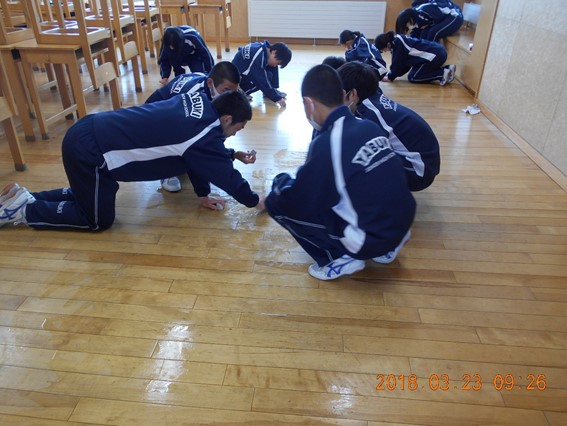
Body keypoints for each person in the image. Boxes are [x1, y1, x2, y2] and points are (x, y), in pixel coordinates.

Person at [0, 91, 261, 231]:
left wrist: (202, 194)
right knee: (96, 220)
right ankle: (24, 211)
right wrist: (255, 201)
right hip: (91, 153)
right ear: (226, 119)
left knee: (90, 193)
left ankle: (24, 197)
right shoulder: (203, 134)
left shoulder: (198, 103)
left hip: (89, 129)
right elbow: (223, 173)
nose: (233, 135)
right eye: (236, 129)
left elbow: (196, 157)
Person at [262, 65, 416, 281]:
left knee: (278, 202)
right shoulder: (369, 127)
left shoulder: (327, 143)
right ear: (343, 95)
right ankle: (388, 246)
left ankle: (336, 259)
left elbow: (300, 201)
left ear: (309, 103)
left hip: (368, 240)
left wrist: (279, 183)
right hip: (403, 223)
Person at [145, 61, 248, 193]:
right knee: (186, 147)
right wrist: (203, 191)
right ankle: (165, 170)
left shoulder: (207, 82)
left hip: (166, 116)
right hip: (153, 127)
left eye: (233, 92)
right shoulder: (194, 100)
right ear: (210, 83)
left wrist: (231, 154)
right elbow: (196, 142)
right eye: (226, 91)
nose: (230, 97)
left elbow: (211, 140)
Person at [338, 61, 440, 192]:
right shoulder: (372, 98)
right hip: (425, 162)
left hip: (419, 172)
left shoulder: (372, 115)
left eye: (339, 93)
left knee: (358, 155)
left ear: (352, 94)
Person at [375, 30, 455, 85]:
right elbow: (405, 65)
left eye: (383, 50)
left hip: (435, 56)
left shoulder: (398, 46)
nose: (384, 51)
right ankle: (448, 68)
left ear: (388, 44)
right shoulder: (398, 39)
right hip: (438, 51)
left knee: (413, 77)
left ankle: (441, 74)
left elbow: (397, 65)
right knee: (415, 72)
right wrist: (393, 75)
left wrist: (390, 77)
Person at [232, 40, 292, 108]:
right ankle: (241, 94)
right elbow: (262, 80)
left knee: (272, 65)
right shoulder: (257, 58)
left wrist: (273, 91)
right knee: (266, 77)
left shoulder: (264, 48)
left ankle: (271, 90)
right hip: (237, 84)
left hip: (244, 72)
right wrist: (277, 98)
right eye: (278, 63)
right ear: (274, 52)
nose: (276, 65)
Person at [396, 1, 463, 42]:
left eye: (407, 25)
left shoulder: (424, 10)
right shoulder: (415, 18)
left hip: (455, 16)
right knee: (424, 32)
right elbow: (414, 34)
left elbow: (440, 17)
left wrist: (429, 25)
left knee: (433, 32)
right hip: (444, 16)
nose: (409, 27)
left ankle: (433, 55)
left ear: (409, 19)